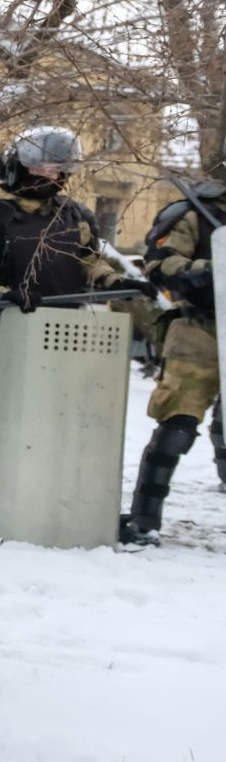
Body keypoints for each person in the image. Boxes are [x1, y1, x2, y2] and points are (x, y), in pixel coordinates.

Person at [0, 128, 153, 506]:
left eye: (60, 170)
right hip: (1, 332)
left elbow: (88, 259)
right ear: (20, 166)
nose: (54, 177)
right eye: (45, 168)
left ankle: (42, 500)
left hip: (62, 333)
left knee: (52, 414)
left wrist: (117, 281)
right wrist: (1, 294)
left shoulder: (73, 215)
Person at [120, 172, 226, 545]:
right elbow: (161, 265)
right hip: (200, 330)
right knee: (177, 424)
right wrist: (215, 270)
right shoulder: (196, 214)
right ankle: (144, 520)